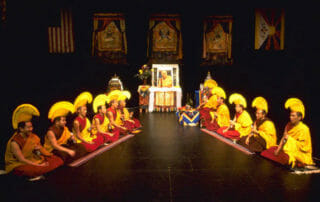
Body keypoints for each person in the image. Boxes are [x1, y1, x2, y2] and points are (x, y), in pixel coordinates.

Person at [5, 104, 63, 178]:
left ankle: (40, 171)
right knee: (31, 169)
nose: (31, 129)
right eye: (28, 127)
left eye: (31, 127)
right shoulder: (14, 142)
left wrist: (39, 151)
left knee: (57, 160)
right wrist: (38, 165)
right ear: (21, 129)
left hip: (33, 159)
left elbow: (39, 152)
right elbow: (21, 159)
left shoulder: (33, 137)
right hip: (19, 163)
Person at [261, 98, 315, 168]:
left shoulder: (304, 129)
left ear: (300, 117)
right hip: (286, 149)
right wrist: (278, 149)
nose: (290, 118)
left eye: (293, 116)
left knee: (282, 158)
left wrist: (289, 140)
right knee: (266, 152)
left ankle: (296, 162)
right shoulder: (288, 125)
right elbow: (283, 138)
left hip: (299, 154)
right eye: (290, 115)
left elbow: (304, 147)